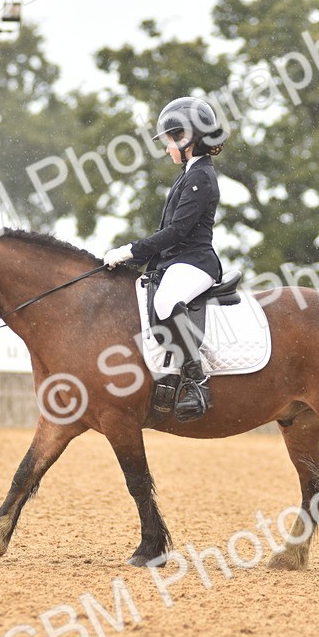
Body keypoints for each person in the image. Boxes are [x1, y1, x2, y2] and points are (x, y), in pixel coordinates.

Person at [103, 96, 225, 423]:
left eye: (169, 141)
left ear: (186, 138)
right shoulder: (188, 173)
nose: (167, 148)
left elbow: (177, 231)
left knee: (167, 301)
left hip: (196, 261)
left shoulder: (200, 176)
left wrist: (132, 250)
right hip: (179, 260)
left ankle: (197, 381)